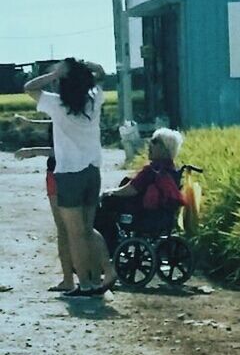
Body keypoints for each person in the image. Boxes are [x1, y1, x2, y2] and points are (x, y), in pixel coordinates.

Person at [23, 58, 115, 297]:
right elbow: (102, 74)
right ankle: (105, 271)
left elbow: (29, 87)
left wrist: (56, 74)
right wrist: (86, 66)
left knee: (74, 234)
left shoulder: (56, 105)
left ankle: (85, 283)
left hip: (68, 174)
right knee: (87, 229)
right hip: (92, 171)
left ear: (63, 84)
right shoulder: (94, 101)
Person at [96, 127, 185, 254]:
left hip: (142, 215)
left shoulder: (152, 170)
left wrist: (109, 192)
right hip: (163, 216)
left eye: (154, 141)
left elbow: (131, 189)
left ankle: (108, 246)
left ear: (164, 148)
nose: (150, 144)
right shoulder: (172, 170)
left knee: (105, 204)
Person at [13, 124, 76, 292]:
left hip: (58, 173)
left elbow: (62, 150)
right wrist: (27, 122)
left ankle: (69, 279)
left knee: (64, 229)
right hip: (79, 172)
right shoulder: (76, 109)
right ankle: (89, 274)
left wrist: (33, 151)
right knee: (80, 228)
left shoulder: (62, 108)